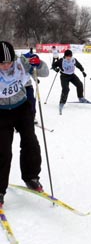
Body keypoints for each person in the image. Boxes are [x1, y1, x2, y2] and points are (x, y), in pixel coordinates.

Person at [0, 41, 48, 207]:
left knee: (31, 143)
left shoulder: (21, 63)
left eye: (8, 62)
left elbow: (44, 72)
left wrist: (38, 63)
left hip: (21, 108)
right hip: (1, 112)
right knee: (3, 151)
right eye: (1, 63)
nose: (6, 66)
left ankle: (31, 177)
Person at [52, 49, 89, 114]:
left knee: (80, 84)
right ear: (65, 56)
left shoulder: (73, 60)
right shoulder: (61, 61)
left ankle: (80, 97)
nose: (69, 57)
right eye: (67, 56)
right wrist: (56, 69)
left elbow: (79, 65)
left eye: (70, 56)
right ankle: (62, 102)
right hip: (64, 76)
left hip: (72, 75)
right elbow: (53, 65)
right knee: (66, 89)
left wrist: (82, 71)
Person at [22, 51, 50, 123]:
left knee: (31, 101)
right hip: (18, 87)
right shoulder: (18, 63)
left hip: (28, 86)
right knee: (20, 104)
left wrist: (35, 78)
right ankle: (18, 120)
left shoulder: (30, 63)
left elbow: (32, 71)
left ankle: (32, 117)